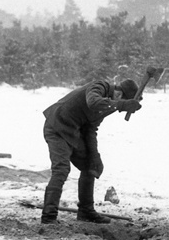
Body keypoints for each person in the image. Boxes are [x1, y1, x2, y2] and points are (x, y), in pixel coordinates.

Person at [40, 78, 142, 225]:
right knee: (61, 170)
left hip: (73, 132)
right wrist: (121, 105)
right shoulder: (99, 86)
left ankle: (86, 212)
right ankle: (48, 217)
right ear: (119, 94)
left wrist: (94, 155)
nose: (117, 107)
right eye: (121, 101)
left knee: (90, 166)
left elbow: (90, 130)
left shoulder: (109, 104)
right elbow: (93, 102)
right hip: (57, 127)